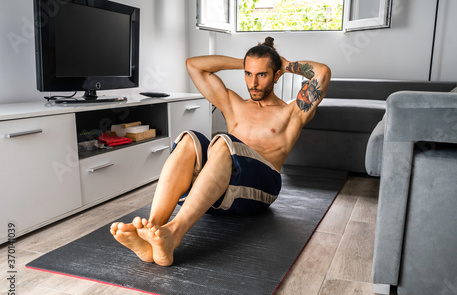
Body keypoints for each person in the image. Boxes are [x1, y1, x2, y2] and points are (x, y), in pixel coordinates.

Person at [110, 37, 331, 266]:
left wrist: (283, 64)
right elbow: (194, 65)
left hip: (261, 187)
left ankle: (174, 233)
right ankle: (153, 232)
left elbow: (322, 72)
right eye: (248, 74)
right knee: (189, 139)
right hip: (220, 187)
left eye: (261, 75)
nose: (252, 83)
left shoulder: (292, 112)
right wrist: (245, 62)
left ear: (276, 75)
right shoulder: (234, 104)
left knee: (224, 142)